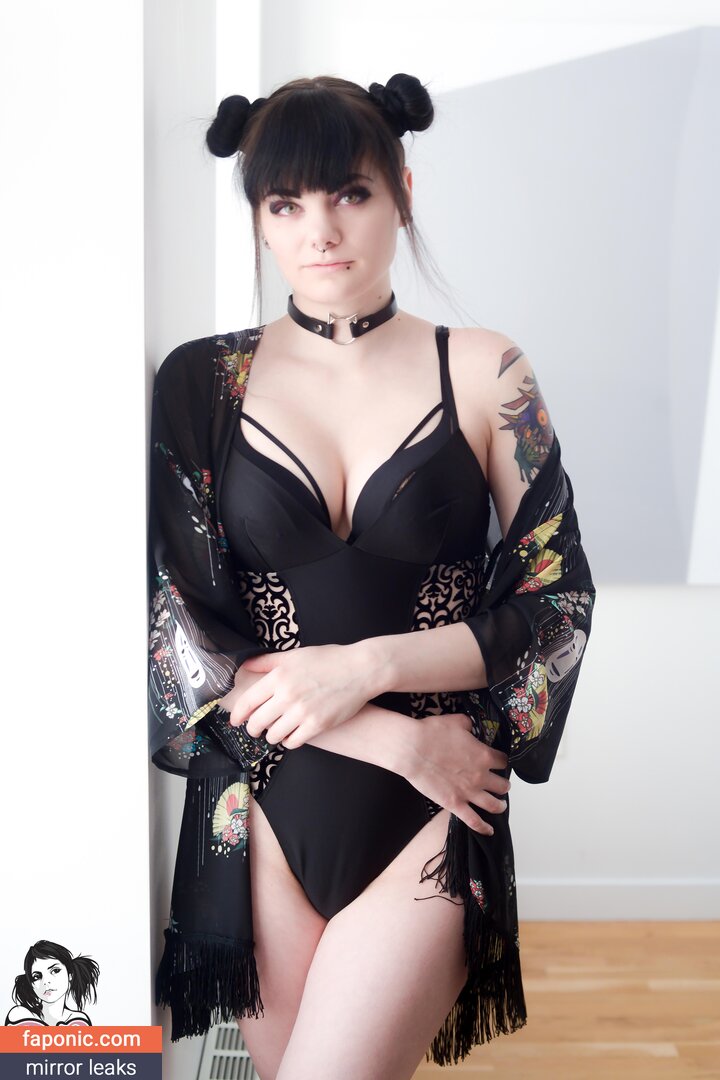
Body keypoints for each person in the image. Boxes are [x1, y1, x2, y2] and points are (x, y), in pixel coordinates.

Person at [148, 74, 596, 1079]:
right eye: (285, 203)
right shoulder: (200, 383)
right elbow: (181, 632)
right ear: (259, 219)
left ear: (402, 189)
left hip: (437, 799)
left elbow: (556, 601)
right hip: (262, 804)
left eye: (349, 192)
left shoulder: (485, 370)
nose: (320, 230)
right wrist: (388, 733)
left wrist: (367, 665)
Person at [5, 940, 99, 1027]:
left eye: (55, 971)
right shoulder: (19, 1014)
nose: (46, 982)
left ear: (70, 975)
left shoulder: (79, 1020)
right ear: (31, 984)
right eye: (37, 977)